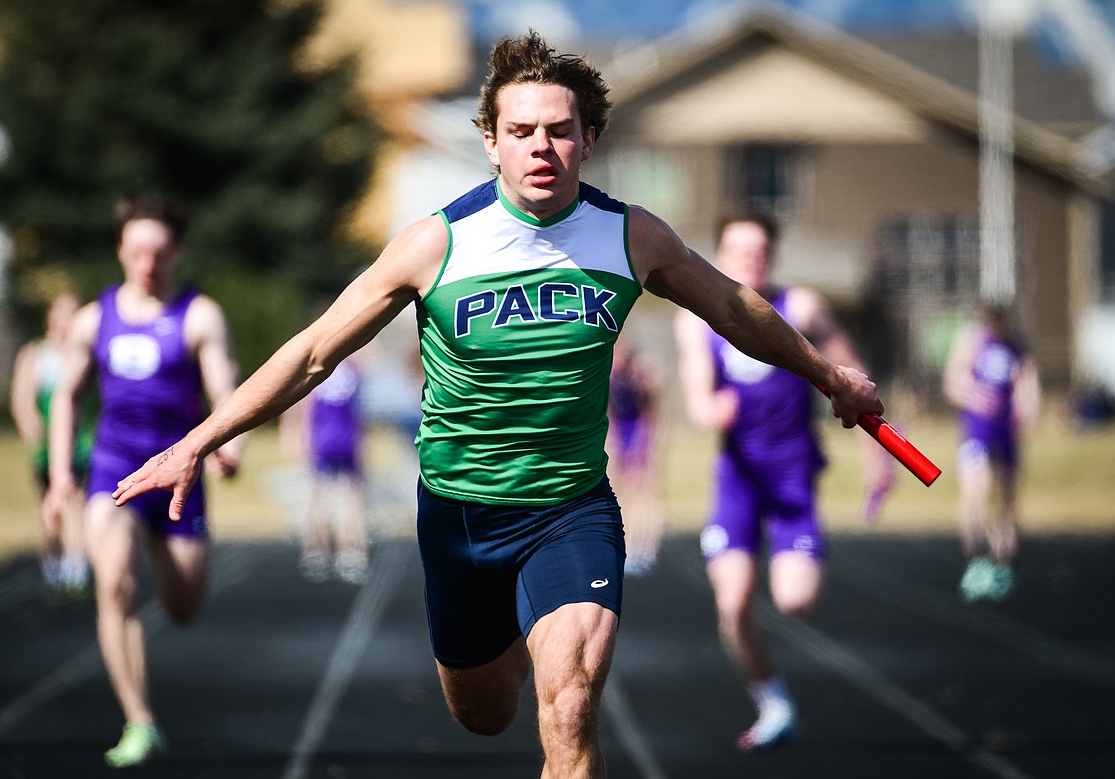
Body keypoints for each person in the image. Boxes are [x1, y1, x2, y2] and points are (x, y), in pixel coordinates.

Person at [113, 32, 885, 778]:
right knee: (484, 712)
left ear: (591, 137)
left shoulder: (632, 238)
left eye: (559, 131)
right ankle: (515, 636)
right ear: (490, 140)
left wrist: (832, 377)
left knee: (571, 708)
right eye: (521, 131)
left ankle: (549, 635)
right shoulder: (436, 245)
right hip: (460, 516)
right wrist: (197, 440)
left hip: (570, 510)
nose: (540, 148)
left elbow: (736, 310)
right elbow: (316, 351)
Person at [674, 210, 895, 752]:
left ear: (771, 256)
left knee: (794, 601)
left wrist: (880, 456)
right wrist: (711, 410)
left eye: (758, 251)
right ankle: (772, 703)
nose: (749, 260)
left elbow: (853, 380)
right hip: (738, 478)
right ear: (721, 256)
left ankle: (791, 577)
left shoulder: (802, 309)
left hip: (793, 473)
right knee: (732, 604)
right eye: (737, 251)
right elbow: (698, 399)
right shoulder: (696, 320)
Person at [46, 194, 242, 768]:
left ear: (176, 251)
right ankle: (140, 721)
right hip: (115, 472)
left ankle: (158, 543)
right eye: (137, 253)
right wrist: (61, 475)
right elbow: (67, 397)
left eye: (158, 253)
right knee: (114, 583)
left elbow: (225, 393)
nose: (148, 265)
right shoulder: (92, 318)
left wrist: (228, 449)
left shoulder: (199, 315)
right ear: (121, 252)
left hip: (179, 474)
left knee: (182, 605)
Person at [942, 302, 1040, 602]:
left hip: (1006, 433)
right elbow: (952, 383)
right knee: (977, 489)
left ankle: (1002, 562)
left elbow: (1028, 384)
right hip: (978, 432)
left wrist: (1029, 410)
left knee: (1007, 498)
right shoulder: (972, 340)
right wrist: (974, 397)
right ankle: (975, 559)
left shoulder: (1016, 345)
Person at [9, 291, 94, 599]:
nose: (66, 320)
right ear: (50, 317)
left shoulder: (84, 353)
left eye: (73, 313)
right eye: (61, 313)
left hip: (80, 442)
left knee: (77, 502)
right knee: (49, 505)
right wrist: (30, 425)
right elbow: (22, 398)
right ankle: (52, 563)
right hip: (47, 446)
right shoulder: (35, 354)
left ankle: (76, 565)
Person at [279, 356, 370, 584]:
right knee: (351, 498)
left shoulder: (317, 364)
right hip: (346, 438)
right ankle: (352, 552)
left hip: (322, 438)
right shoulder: (352, 367)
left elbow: (301, 403)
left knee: (316, 497)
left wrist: (295, 435)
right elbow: (359, 409)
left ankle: (316, 552)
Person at [606, 337, 664, 575]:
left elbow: (652, 412)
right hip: (619, 432)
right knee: (619, 491)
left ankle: (647, 547)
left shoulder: (640, 375)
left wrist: (646, 443)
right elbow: (608, 412)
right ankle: (627, 545)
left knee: (644, 490)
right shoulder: (609, 376)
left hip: (640, 431)